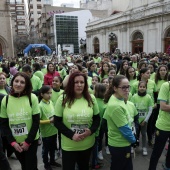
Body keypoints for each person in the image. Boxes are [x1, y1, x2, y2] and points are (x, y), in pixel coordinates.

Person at [54, 72, 100, 170]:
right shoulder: (62, 98)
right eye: (76, 82)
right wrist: (72, 135)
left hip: (87, 144)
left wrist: (91, 131)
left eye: (82, 82)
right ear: (71, 84)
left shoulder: (91, 98)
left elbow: (97, 119)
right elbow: (57, 122)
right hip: (69, 146)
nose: (79, 85)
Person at [0, 72, 40, 170]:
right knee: (24, 165)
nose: (18, 84)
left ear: (26, 85)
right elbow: (4, 124)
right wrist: (12, 142)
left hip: (31, 141)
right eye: (16, 81)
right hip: (16, 143)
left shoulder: (32, 98)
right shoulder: (6, 100)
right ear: (12, 82)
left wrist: (28, 142)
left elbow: (36, 122)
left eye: (22, 82)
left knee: (30, 166)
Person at [103, 75, 136, 170]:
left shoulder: (119, 99)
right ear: (115, 88)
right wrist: (134, 141)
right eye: (123, 87)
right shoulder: (116, 105)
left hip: (121, 143)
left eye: (128, 87)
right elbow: (124, 129)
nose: (127, 90)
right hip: (120, 144)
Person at [148, 81, 170, 170]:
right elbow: (163, 107)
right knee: (157, 152)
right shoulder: (166, 86)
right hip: (163, 126)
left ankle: (167, 166)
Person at [39, 85, 61, 170]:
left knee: (53, 148)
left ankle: (52, 161)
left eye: (51, 93)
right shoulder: (40, 106)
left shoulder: (51, 102)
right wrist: (49, 121)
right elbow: (37, 121)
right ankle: (46, 164)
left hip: (53, 131)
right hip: (46, 133)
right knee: (46, 150)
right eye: (48, 93)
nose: (50, 95)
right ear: (42, 94)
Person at [130, 81, 153, 156]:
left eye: (144, 87)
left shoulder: (148, 97)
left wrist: (145, 120)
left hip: (144, 120)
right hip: (135, 120)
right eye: (141, 87)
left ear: (146, 88)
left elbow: (150, 110)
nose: (142, 88)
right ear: (138, 87)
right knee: (134, 133)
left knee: (143, 134)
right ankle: (133, 146)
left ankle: (144, 147)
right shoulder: (134, 97)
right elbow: (131, 108)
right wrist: (133, 119)